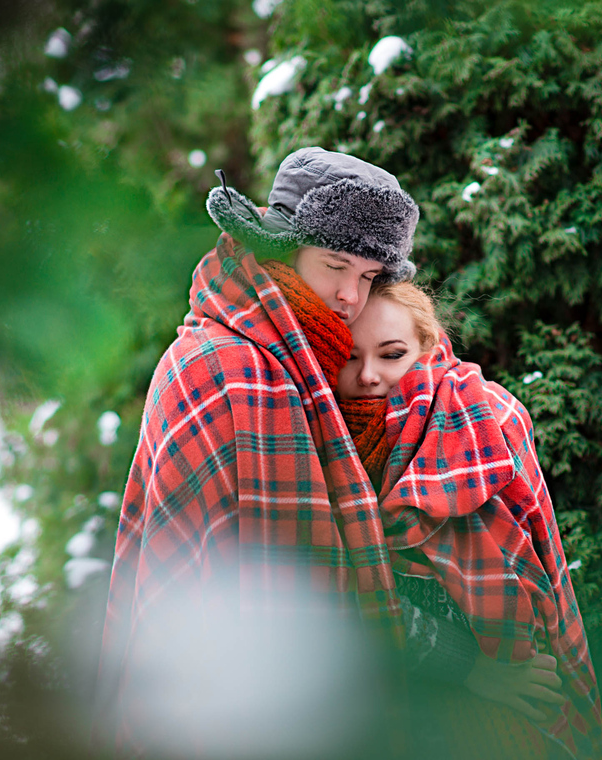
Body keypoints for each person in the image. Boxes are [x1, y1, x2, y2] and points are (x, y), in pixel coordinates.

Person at [96, 147, 563, 757]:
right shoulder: (214, 370)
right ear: (280, 247)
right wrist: (460, 662)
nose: (349, 295)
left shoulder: (350, 356)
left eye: (369, 276)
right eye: (334, 264)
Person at [335, 281, 602, 759]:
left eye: (392, 354)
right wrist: (467, 666)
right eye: (349, 356)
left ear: (429, 347)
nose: (369, 376)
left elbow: (537, 553)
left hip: (512, 673)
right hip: (381, 697)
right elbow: (334, 592)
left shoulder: (486, 416)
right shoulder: (316, 436)